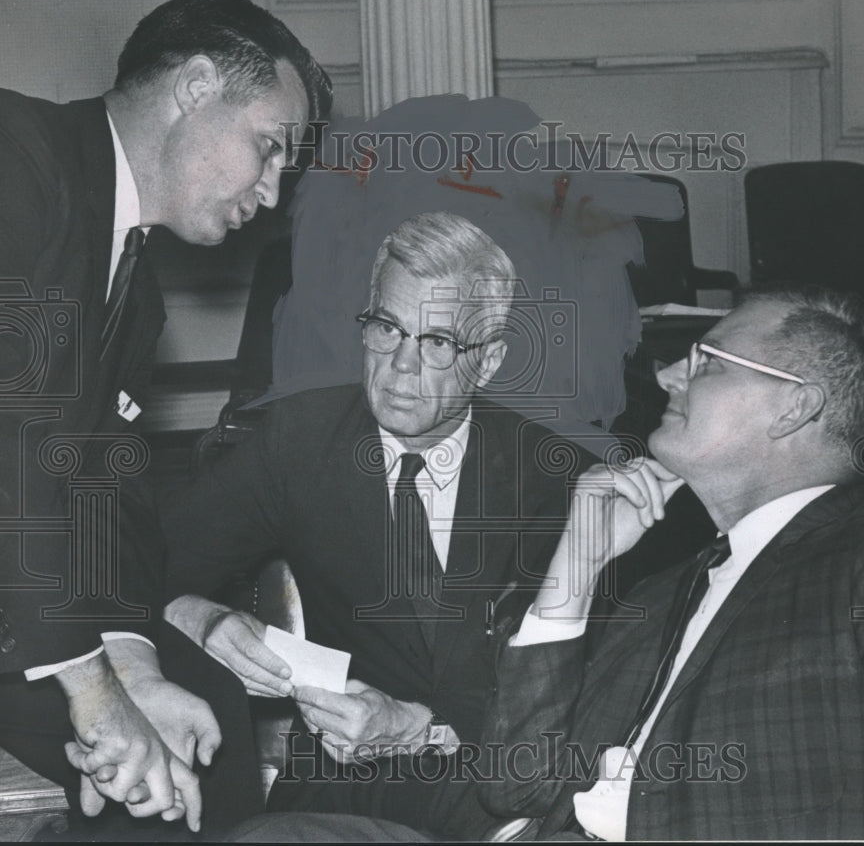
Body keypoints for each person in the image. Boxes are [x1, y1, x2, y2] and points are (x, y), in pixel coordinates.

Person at [226, 285, 864, 841]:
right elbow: (518, 779)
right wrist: (575, 567)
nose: (668, 378)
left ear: (793, 406)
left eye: (706, 363)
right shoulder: (671, 589)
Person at [0, 0, 332, 836]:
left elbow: (103, 487)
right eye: (268, 148)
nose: (270, 192)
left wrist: (134, 664)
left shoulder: (133, 287)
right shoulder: (16, 158)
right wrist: (94, 691)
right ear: (193, 87)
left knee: (197, 704)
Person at [161, 210, 596, 839]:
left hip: (498, 775)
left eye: (439, 343)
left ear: (491, 361)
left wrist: (419, 724)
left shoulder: (551, 473)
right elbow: (141, 563)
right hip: (342, 775)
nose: (400, 367)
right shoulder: (300, 440)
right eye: (387, 328)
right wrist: (200, 617)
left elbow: (582, 677)